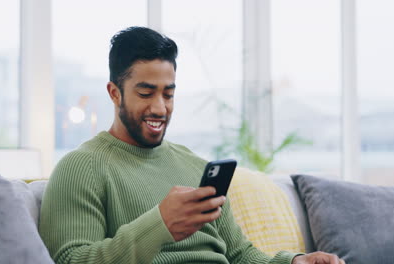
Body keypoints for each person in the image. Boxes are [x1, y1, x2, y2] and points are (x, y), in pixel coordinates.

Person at [39, 26, 345, 264]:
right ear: (114, 93)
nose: (160, 108)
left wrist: (295, 260)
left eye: (168, 94)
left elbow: (240, 255)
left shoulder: (194, 166)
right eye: (146, 93)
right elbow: (72, 260)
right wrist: (160, 224)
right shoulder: (80, 167)